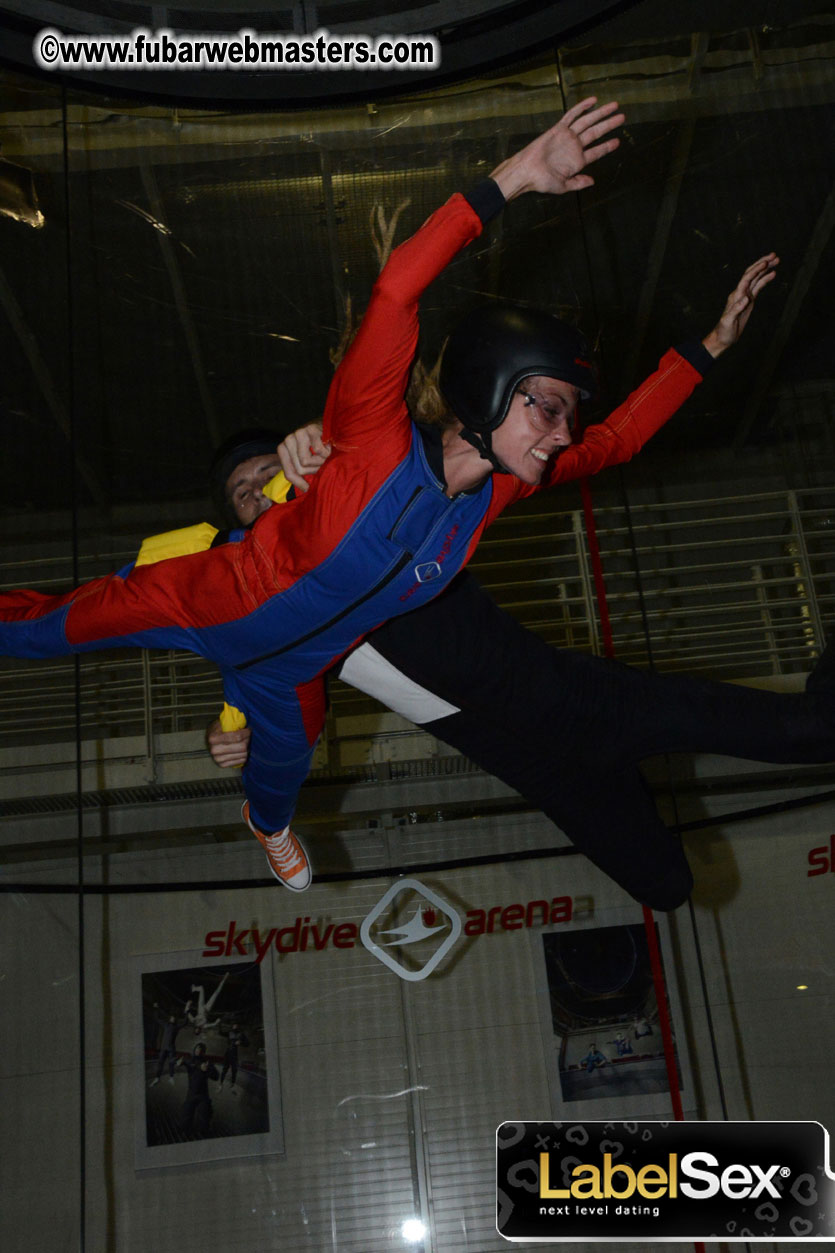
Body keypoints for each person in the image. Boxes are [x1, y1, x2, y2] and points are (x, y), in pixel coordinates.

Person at [0, 99, 819, 905]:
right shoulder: (327, 480)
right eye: (547, 409)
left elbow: (609, 437)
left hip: (411, 682)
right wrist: (513, 179)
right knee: (46, 630)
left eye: (566, 413)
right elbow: (394, 300)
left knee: (285, 765)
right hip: (273, 633)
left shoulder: (450, 489)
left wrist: (706, 346)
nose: (561, 432)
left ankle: (268, 817)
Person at [178, 1042, 219, 1139]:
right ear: (194, 1050)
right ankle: (185, 1132)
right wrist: (178, 1062)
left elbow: (216, 1076)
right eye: (197, 1049)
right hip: (191, 1093)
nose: (198, 1051)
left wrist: (208, 1069)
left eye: (200, 1050)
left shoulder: (207, 1062)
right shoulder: (190, 1060)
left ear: (204, 1052)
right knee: (186, 1115)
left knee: (204, 1116)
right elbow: (180, 1062)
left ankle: (202, 1134)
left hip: (203, 1095)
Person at [149, 1001, 191, 1086]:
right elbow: (157, 1018)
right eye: (171, 1017)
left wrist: (187, 1012)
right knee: (160, 1062)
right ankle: (157, 1078)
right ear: (169, 1019)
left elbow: (185, 1022)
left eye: (174, 1018)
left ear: (175, 1020)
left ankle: (171, 1077)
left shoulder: (176, 1027)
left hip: (171, 1048)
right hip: (163, 1048)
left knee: (171, 1062)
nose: (173, 1018)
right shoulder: (165, 1025)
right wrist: (156, 1008)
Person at [219, 1023, 250, 1092]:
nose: (235, 1026)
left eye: (236, 1025)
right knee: (225, 1069)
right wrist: (219, 1024)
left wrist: (240, 1042)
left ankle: (232, 1085)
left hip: (234, 1054)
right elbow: (221, 1033)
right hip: (228, 1053)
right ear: (232, 1026)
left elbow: (247, 1043)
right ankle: (220, 1084)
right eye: (234, 1025)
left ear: (238, 1026)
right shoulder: (230, 1033)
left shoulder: (241, 1034)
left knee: (234, 1070)